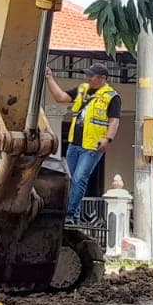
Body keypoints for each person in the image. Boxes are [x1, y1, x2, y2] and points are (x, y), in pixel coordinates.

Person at [44, 64, 121, 222]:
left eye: (92, 76)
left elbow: (114, 121)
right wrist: (49, 78)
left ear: (102, 78)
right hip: (74, 143)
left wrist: (108, 139)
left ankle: (71, 213)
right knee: (69, 178)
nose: (88, 78)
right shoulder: (82, 89)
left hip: (92, 146)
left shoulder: (112, 96)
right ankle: (72, 211)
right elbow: (61, 98)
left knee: (80, 177)